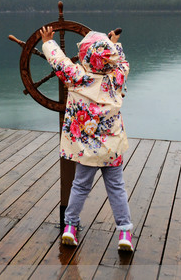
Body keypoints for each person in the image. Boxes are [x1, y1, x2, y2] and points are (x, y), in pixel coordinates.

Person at [39, 25, 133, 251]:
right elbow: (121, 63)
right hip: (111, 148)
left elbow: (59, 62)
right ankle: (125, 233)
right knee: (117, 188)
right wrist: (114, 44)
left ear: (84, 56)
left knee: (80, 186)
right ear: (109, 58)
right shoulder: (115, 79)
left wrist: (48, 42)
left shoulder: (77, 77)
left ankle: (70, 227)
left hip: (85, 149)